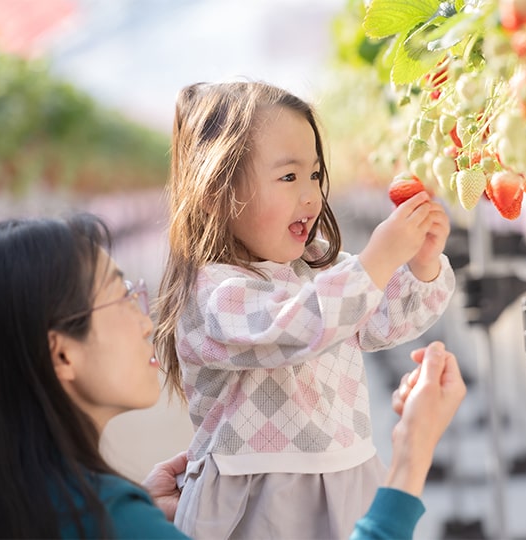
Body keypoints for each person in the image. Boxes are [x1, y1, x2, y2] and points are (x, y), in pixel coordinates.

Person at [0, 213, 467, 540]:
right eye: (123, 295)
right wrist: (412, 457)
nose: (148, 319)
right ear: (62, 355)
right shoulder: (114, 522)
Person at [153, 80, 456, 539]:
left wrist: (421, 263)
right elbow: (297, 324)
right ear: (216, 191)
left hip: (349, 477)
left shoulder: (317, 269)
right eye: (289, 176)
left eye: (315, 174)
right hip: (262, 506)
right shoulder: (215, 294)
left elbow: (381, 320)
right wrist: (377, 259)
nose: (312, 194)